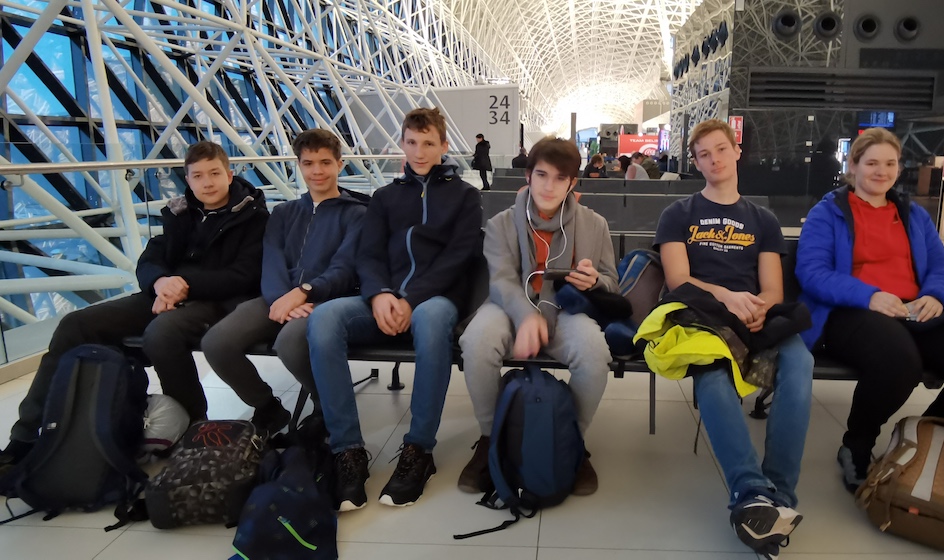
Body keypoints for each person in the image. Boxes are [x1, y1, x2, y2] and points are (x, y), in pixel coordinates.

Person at [0, 141, 269, 477]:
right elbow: (150, 258)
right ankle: (26, 435)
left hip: (219, 300)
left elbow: (244, 276)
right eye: (198, 176)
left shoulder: (254, 216)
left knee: (162, 333)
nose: (207, 182)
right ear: (188, 180)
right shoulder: (180, 213)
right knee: (76, 324)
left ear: (229, 175)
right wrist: (160, 283)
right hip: (166, 294)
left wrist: (182, 284)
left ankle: (192, 425)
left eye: (214, 173)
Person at [795, 127, 944, 493]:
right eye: (871, 163)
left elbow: (940, 265)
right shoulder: (827, 213)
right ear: (853, 166)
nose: (881, 171)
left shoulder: (913, 214)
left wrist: (936, 296)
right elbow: (812, 272)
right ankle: (857, 444)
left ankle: (922, 439)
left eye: (890, 163)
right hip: (852, 311)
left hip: (914, 310)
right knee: (898, 362)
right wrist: (870, 296)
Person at [306, 108, 482, 511]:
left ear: (444, 145)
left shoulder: (465, 196)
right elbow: (368, 255)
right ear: (402, 144)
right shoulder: (385, 197)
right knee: (324, 318)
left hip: (434, 299)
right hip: (384, 298)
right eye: (412, 142)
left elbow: (458, 257)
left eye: (428, 143)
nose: (419, 152)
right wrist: (379, 294)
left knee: (432, 320)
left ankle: (419, 449)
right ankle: (347, 449)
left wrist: (410, 298)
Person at [654, 119, 812, 559]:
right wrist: (728, 297)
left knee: (799, 362)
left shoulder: (762, 220)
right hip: (703, 315)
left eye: (721, 149)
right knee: (713, 373)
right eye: (704, 154)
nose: (714, 160)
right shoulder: (679, 214)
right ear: (695, 162)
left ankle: (778, 494)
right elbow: (679, 280)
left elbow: (774, 290)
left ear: (736, 151)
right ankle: (749, 491)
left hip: (755, 316)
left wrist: (757, 308)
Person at [458, 137, 618, 496]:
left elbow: (611, 281)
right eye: (542, 175)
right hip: (509, 307)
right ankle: (489, 438)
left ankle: (571, 439)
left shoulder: (594, 225)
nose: (549, 186)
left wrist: (595, 281)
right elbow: (501, 281)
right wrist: (526, 316)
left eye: (560, 178)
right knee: (477, 340)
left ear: (572, 183)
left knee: (594, 351)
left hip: (565, 309)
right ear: (528, 176)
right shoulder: (501, 223)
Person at [201, 130, 366, 436]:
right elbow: (272, 261)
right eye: (308, 163)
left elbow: (345, 268)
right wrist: (282, 299)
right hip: (278, 298)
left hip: (325, 299)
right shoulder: (283, 213)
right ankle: (267, 407)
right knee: (216, 342)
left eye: (325, 162)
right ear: (298, 165)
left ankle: (325, 407)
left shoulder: (357, 214)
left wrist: (304, 293)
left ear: (340, 165)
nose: (317, 171)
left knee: (290, 342)